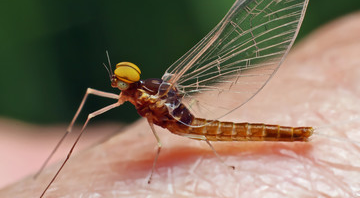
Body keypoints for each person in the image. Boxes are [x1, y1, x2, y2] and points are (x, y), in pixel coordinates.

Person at [1, 12, 360, 197]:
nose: (117, 84)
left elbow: (163, 141)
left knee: (204, 131)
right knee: (93, 106)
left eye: (121, 81)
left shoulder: (147, 96)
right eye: (120, 82)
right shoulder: (135, 94)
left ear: (130, 82)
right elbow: (94, 106)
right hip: (187, 125)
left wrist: (151, 182)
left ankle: (298, 135)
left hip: (193, 126)